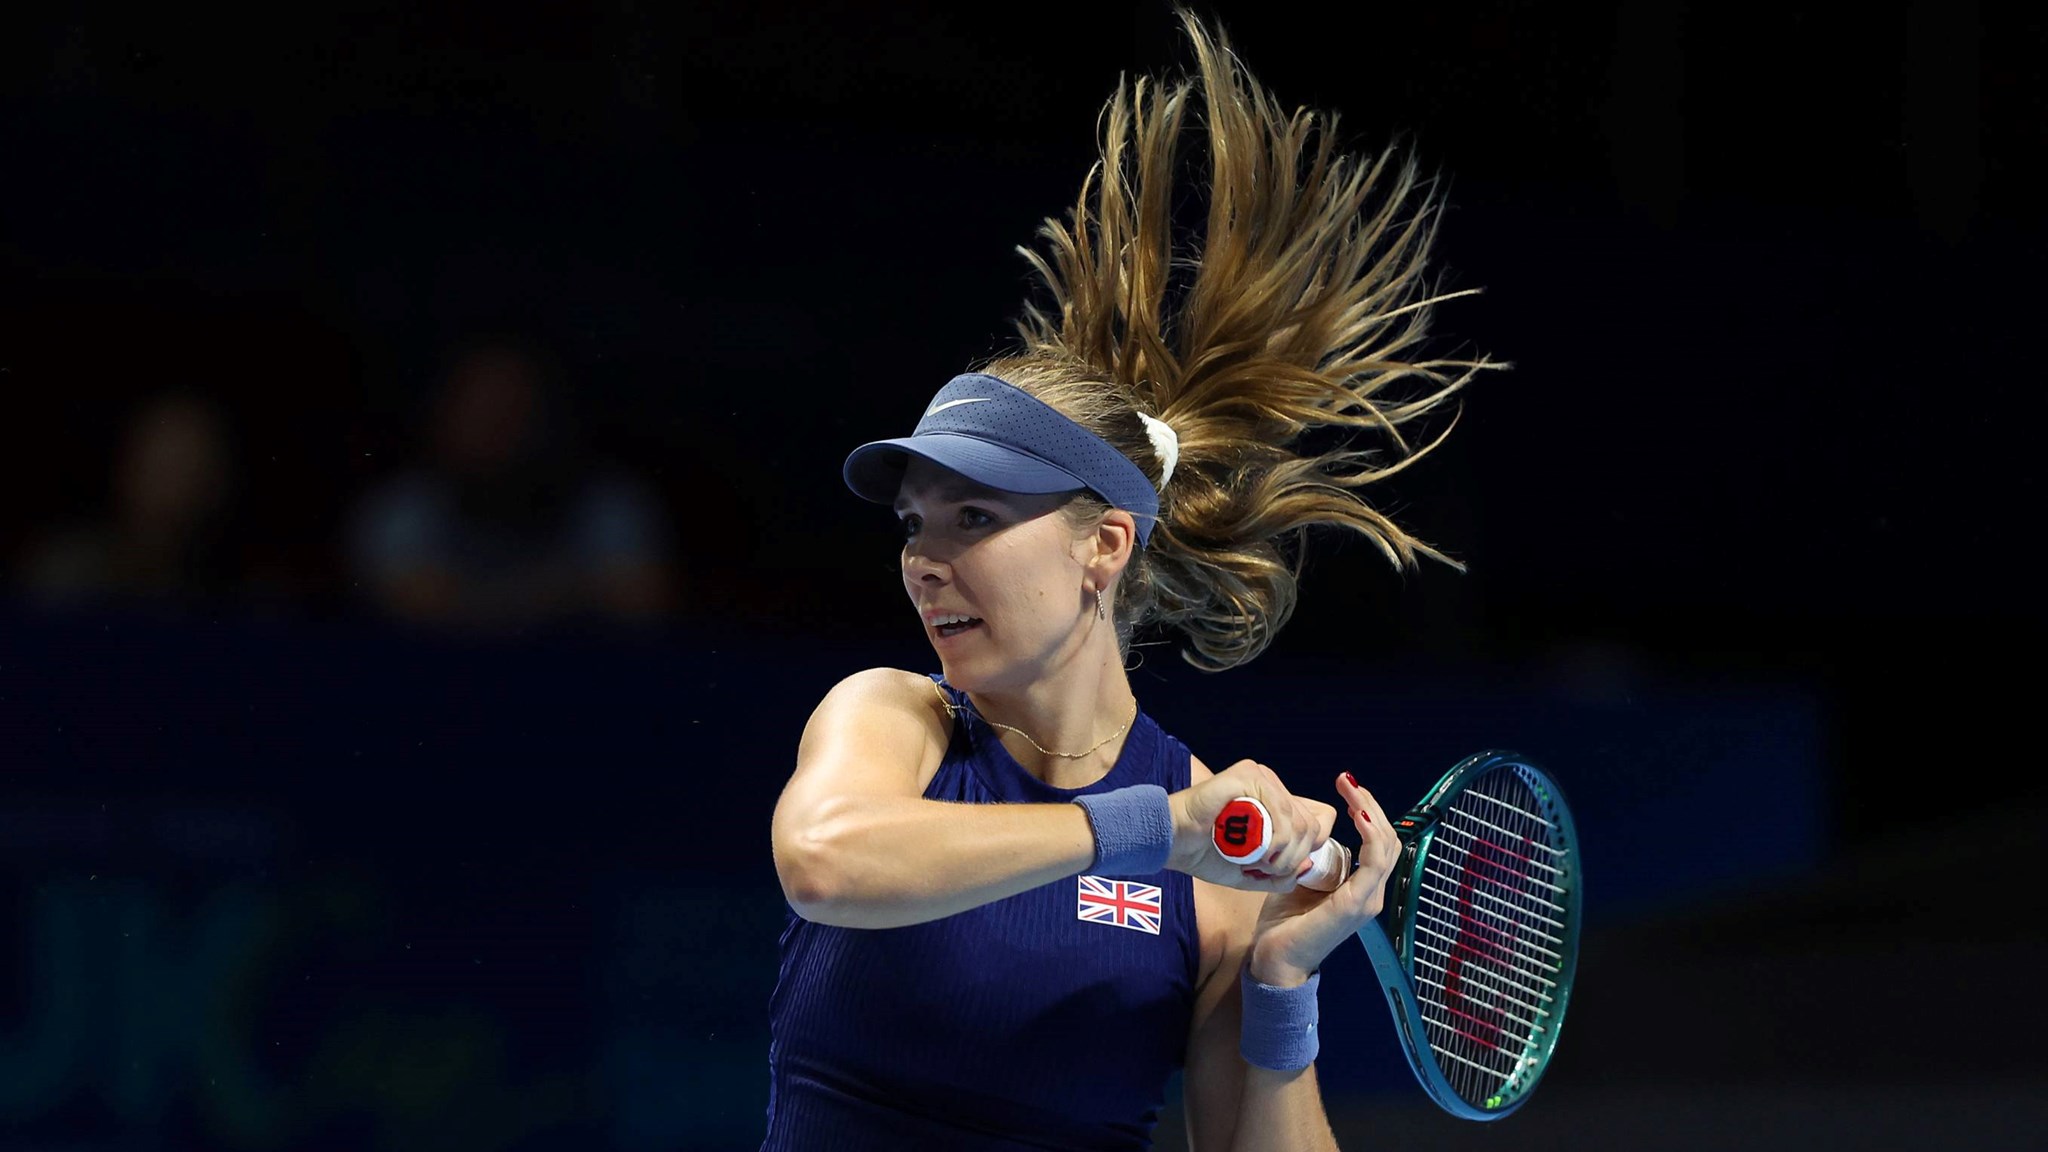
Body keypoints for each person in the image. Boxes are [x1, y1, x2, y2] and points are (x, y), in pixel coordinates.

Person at [764, 11, 1505, 1150]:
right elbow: (825, 862)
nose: (924, 557)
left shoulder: (1212, 852)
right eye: (915, 524)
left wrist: (1276, 979)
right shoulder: (892, 722)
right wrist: (1144, 832)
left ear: (1101, 546)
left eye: (974, 517)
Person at [346, 332, 677, 631]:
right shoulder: (402, 508)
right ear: (443, 416)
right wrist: (573, 592)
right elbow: (417, 608)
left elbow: (640, 602)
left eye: (513, 410)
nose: (497, 429)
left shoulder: (607, 502)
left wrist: (475, 602)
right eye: (480, 410)